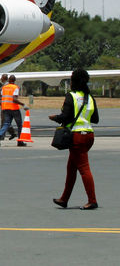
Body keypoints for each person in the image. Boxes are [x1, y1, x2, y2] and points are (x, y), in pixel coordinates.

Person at [49, 68, 100, 210]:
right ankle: (64, 199)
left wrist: (55, 118)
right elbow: (95, 119)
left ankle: (92, 200)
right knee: (71, 168)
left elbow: (65, 116)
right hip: (89, 135)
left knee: (84, 169)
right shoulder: (90, 98)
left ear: (74, 81)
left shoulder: (71, 96)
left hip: (77, 137)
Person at [0, 74, 25, 147]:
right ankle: (20, 141)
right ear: (14, 81)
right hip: (14, 109)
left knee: (6, 124)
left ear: (9, 80)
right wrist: (23, 104)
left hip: (5, 108)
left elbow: (1, 98)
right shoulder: (15, 87)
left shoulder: (4, 87)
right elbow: (14, 99)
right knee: (19, 125)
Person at [0, 74, 16, 140]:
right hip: (6, 105)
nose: (1, 79)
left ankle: (3, 135)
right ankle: (10, 133)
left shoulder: (5, 86)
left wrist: (1, 102)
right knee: (5, 121)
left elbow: (3, 96)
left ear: (4, 78)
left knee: (5, 121)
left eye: (1, 77)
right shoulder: (6, 85)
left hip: (5, 106)